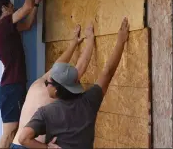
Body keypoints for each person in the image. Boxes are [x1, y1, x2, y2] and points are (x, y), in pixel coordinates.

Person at [19, 17, 130, 149]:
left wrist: (47, 148)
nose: (46, 84)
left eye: (47, 83)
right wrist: (120, 41)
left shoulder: (46, 113)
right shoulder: (89, 101)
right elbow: (107, 72)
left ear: (56, 90)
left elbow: (23, 138)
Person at [10, 23, 95, 149]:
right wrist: (90, 40)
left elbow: (58, 65)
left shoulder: (37, 85)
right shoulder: (56, 92)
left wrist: (74, 43)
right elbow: (80, 68)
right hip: (31, 145)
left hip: (16, 144)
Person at [0, 0, 43, 148]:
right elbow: (25, 8)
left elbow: (27, 25)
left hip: (11, 87)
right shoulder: (3, 24)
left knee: (12, 133)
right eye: (12, 7)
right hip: (11, 87)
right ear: (4, 9)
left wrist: (36, 5)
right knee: (8, 134)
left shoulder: (1, 29)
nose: (14, 9)